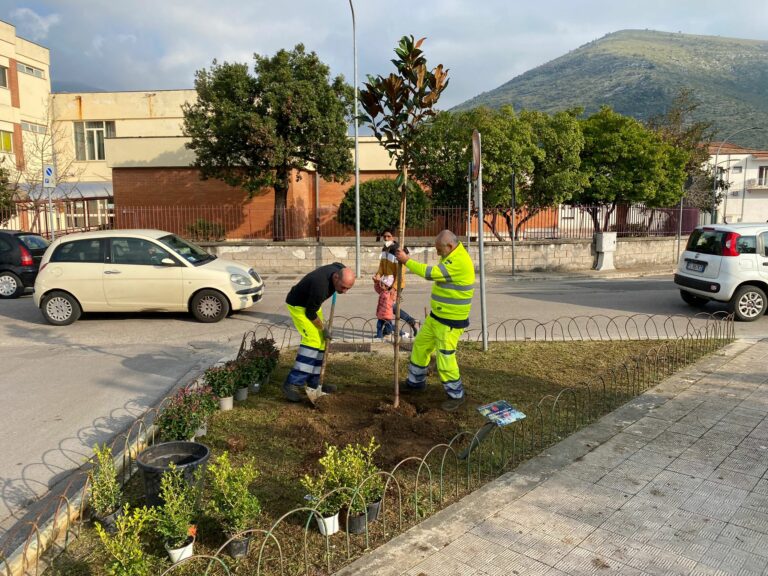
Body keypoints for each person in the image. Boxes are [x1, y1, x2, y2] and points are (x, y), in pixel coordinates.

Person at [395, 230, 475, 412]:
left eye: (439, 250)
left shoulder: (459, 261)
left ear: (450, 246)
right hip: (436, 317)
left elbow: (431, 273)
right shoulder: (451, 254)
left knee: (445, 358)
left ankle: (456, 395)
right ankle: (415, 383)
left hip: (450, 322)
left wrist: (407, 261)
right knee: (421, 346)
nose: (437, 253)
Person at [283, 262, 356, 402]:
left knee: (322, 342)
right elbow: (310, 314)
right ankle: (292, 383)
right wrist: (324, 329)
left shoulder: (338, 270)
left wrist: (323, 332)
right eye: (343, 287)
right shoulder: (320, 287)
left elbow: (338, 264)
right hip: (299, 306)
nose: (345, 291)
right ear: (335, 278)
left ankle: (315, 382)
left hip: (312, 306)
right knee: (313, 341)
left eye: (348, 288)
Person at [377, 229, 419, 336]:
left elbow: (401, 272)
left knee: (390, 306)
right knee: (388, 306)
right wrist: (377, 276)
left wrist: (394, 288)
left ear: (394, 237)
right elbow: (382, 266)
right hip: (386, 283)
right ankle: (389, 329)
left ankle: (412, 322)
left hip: (397, 283)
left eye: (388, 236)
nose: (386, 238)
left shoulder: (398, 251)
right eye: (384, 236)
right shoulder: (385, 249)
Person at [373, 274, 396, 340]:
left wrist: (393, 290)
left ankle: (389, 334)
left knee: (389, 326)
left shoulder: (391, 294)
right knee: (379, 326)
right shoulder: (382, 291)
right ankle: (379, 336)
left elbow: (394, 295)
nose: (382, 285)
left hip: (387, 314)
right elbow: (377, 288)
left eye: (383, 285)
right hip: (381, 313)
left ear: (388, 286)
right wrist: (376, 282)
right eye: (382, 284)